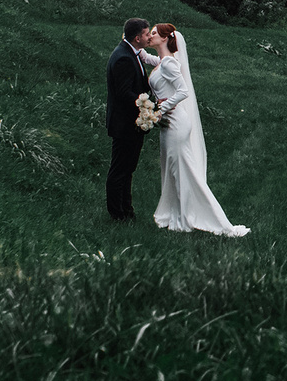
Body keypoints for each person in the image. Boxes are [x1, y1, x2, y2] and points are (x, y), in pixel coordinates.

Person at [144, 22, 250, 237]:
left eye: (154, 33)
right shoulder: (163, 61)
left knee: (182, 169)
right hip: (169, 122)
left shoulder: (169, 64)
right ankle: (176, 212)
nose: (150, 36)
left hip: (175, 121)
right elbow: (150, 60)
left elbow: (183, 91)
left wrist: (161, 108)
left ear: (165, 38)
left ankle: (201, 218)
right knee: (172, 169)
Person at [103, 16, 154, 221]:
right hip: (125, 124)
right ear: (136, 37)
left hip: (131, 124)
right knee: (120, 170)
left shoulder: (132, 53)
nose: (149, 36)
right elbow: (125, 93)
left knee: (128, 169)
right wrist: (148, 108)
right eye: (146, 33)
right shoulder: (124, 57)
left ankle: (127, 210)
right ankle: (117, 214)